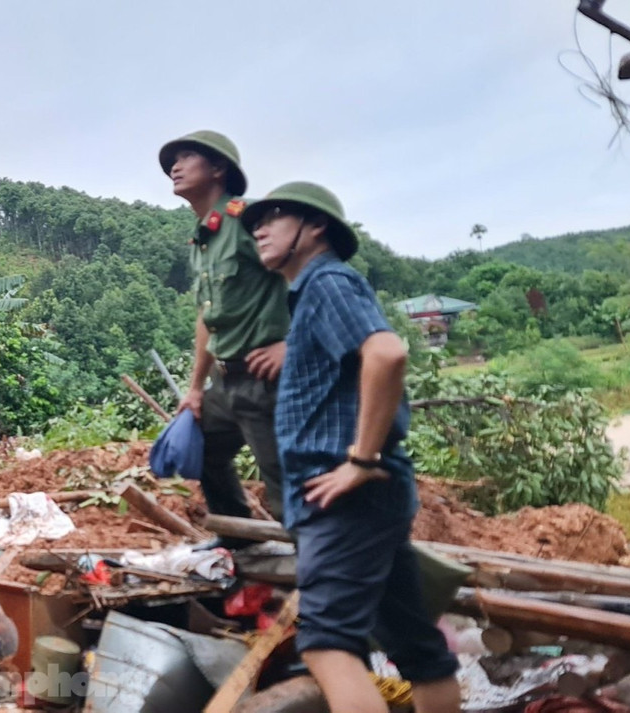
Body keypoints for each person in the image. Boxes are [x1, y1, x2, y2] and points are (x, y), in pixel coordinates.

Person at [240, 182, 460, 713]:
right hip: (355, 496)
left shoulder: (328, 281)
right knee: (416, 647)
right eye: (255, 223)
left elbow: (386, 354)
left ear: (315, 228)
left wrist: (360, 461)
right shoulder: (313, 294)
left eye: (274, 216)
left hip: (345, 496)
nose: (260, 229)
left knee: (326, 643)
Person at [158, 130, 289, 530]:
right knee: (206, 451)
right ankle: (241, 544)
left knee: (284, 484)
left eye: (186, 157)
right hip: (227, 380)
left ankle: (308, 576)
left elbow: (304, 273)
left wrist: (292, 345)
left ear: (218, 168)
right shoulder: (204, 238)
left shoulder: (248, 220)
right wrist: (196, 387)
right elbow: (206, 317)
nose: (174, 168)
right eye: (171, 162)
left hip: (266, 380)